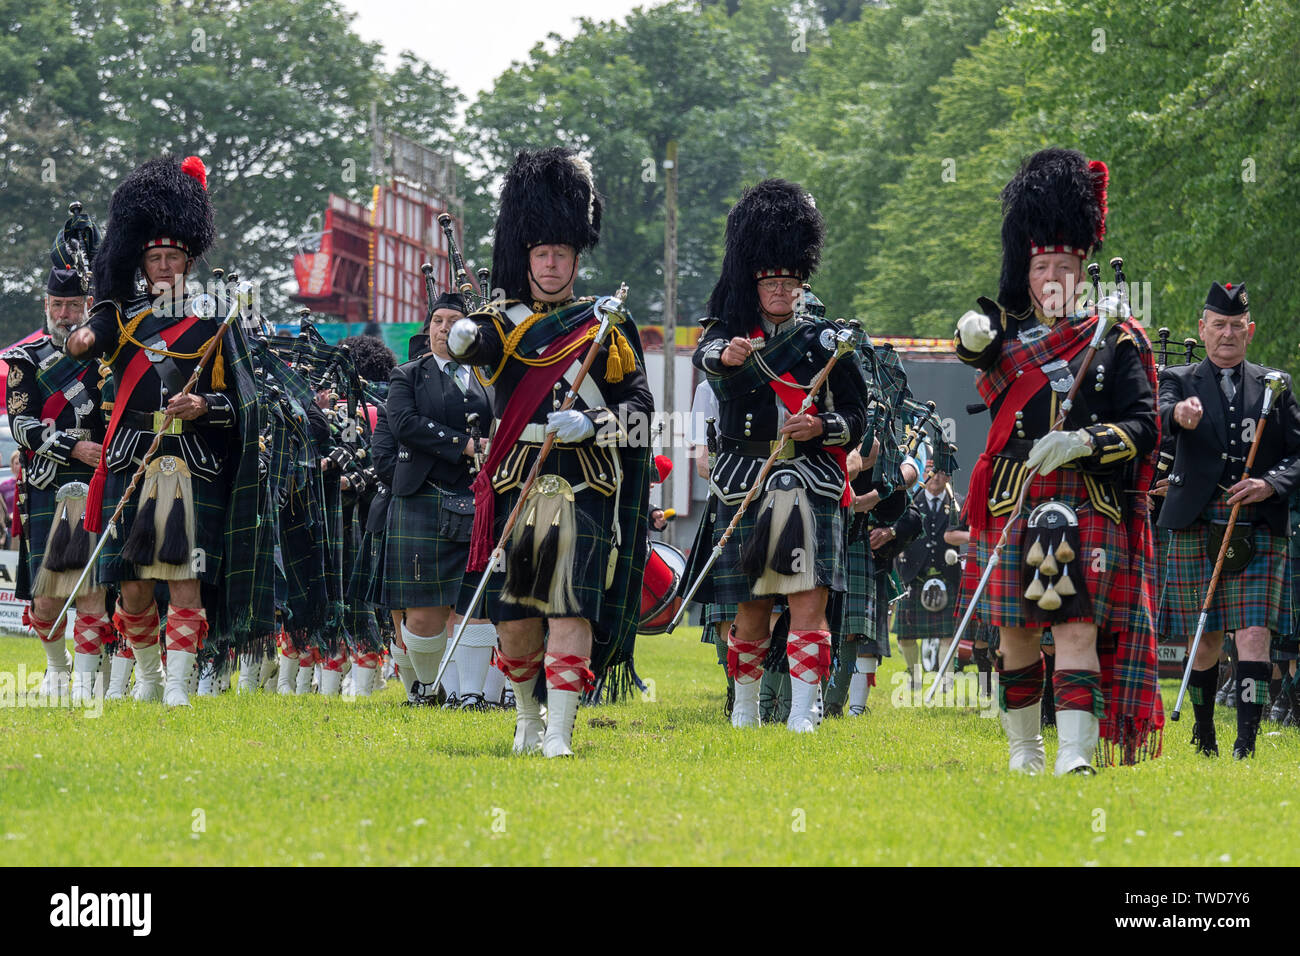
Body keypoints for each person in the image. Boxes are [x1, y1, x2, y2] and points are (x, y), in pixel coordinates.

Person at [955, 147, 1162, 774]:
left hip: (1086, 497)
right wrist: (969, 335)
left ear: (1084, 269)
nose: (1053, 278)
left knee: (1076, 628)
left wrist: (1082, 442)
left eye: (1065, 266)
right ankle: (1026, 751)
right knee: (1016, 633)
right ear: (1027, 268)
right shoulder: (1005, 335)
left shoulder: (1117, 337)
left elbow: (1146, 428)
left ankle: (1076, 754)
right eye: (1042, 265)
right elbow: (974, 351)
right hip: (1015, 496)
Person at [449, 146, 655, 756]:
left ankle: (560, 731)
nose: (551, 263)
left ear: (574, 256)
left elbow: (640, 412)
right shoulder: (501, 320)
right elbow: (476, 346)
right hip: (518, 475)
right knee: (514, 618)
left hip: (585, 478)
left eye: (562, 253)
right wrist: (464, 337)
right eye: (541, 253)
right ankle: (526, 719)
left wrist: (593, 423)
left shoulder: (606, 323)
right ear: (527, 255)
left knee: (570, 608)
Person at [65, 154, 261, 707]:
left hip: (193, 459)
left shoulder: (216, 318)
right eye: (154, 257)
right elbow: (82, 353)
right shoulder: (121, 318)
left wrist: (202, 404)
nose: (164, 266)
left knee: (184, 576)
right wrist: (78, 338)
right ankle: (148, 675)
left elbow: (248, 403)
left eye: (173, 257)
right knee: (130, 583)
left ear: (189, 259)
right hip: (131, 455)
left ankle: (178, 684)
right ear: (142, 261)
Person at [692, 179, 870, 733]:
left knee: (805, 601)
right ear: (755, 280)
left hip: (809, 476)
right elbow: (707, 356)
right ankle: (744, 710)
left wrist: (821, 424)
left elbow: (860, 417)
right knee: (748, 606)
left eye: (789, 281)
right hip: (744, 476)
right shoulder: (728, 333)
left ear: (801, 282)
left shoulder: (828, 341)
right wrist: (727, 354)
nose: (779, 290)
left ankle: (803, 710)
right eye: (770, 280)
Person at [1155, 281, 1300, 758]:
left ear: (1250, 330)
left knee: (1254, 632)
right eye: (1218, 325)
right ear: (1203, 327)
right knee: (1207, 639)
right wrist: (1178, 414)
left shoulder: (1275, 385)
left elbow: (1298, 455)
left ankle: (1246, 740)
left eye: (1237, 326)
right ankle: (1204, 730)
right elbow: (1155, 418)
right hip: (1200, 518)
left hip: (1256, 522)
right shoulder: (1178, 379)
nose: (1227, 334)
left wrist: (1269, 484)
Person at [5, 255, 110, 703]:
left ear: (87, 304)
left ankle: (88, 685)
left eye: (72, 304)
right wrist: (71, 446)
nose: (64, 314)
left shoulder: (109, 357)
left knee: (92, 589)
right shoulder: (26, 361)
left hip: (100, 482)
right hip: (48, 481)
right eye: (56, 305)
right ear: (46, 305)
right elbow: (20, 425)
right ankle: (57, 669)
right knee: (47, 596)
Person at [386, 291, 497, 707]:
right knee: (424, 613)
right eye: (437, 320)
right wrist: (465, 445)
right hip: (424, 497)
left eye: (454, 320)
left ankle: (470, 695)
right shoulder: (409, 375)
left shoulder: (488, 377)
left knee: (476, 601)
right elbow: (404, 424)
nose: (444, 328)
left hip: (480, 499)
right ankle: (433, 688)